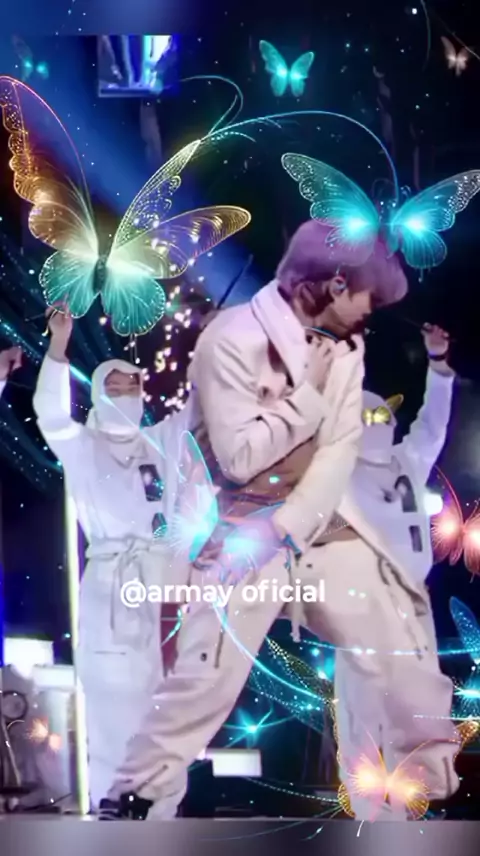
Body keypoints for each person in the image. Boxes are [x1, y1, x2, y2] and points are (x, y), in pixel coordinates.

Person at [101, 218, 410, 819]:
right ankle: (136, 792)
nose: (369, 315)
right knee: (207, 676)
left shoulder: (348, 350)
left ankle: (387, 806)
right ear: (333, 284)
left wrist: (287, 525)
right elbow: (241, 457)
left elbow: (339, 452)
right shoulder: (233, 338)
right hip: (232, 530)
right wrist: (308, 400)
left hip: (305, 527)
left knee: (388, 643)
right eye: (367, 298)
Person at [32, 309, 213, 818]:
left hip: (161, 582)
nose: (125, 392)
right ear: (97, 392)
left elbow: (201, 408)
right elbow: (49, 413)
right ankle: (112, 799)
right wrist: (59, 345)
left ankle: (161, 806)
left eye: (133, 385)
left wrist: (210, 343)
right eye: (114, 385)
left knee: (164, 697)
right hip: (111, 582)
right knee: (111, 698)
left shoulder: (164, 441)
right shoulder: (81, 445)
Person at [333, 323, 459, 819]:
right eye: (367, 415)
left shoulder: (408, 461)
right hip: (361, 601)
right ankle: (369, 812)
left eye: (382, 413)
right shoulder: (339, 471)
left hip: (410, 603)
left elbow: (433, 424)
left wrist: (439, 366)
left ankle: (409, 806)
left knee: (417, 702)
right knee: (363, 706)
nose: (377, 421)